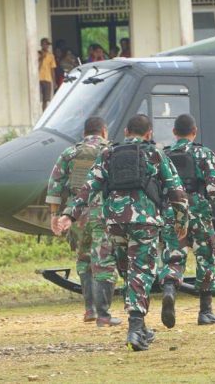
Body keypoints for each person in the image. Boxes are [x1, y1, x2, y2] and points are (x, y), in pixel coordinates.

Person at [57, 114, 189, 351]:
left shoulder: (108, 154)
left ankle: (142, 326)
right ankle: (136, 328)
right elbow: (175, 189)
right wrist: (181, 219)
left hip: (115, 223)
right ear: (149, 133)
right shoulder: (155, 154)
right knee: (141, 271)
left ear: (126, 131)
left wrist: (69, 215)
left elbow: (89, 187)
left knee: (128, 271)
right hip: (144, 221)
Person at [157, 114, 215, 329]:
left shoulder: (164, 155)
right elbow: (214, 185)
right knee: (206, 256)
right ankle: (205, 311)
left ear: (174, 132)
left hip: (172, 209)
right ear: (195, 131)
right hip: (198, 209)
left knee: (173, 254)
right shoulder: (203, 153)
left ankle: (170, 290)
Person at [45, 117, 121, 325]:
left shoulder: (70, 153)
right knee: (103, 262)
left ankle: (90, 310)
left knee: (84, 260)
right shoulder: (111, 151)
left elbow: (55, 185)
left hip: (76, 215)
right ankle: (104, 315)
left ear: (84, 133)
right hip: (103, 213)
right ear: (104, 131)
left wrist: (54, 216)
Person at [37, 37, 56, 110]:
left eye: (48, 45)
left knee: (46, 99)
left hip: (47, 79)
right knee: (39, 98)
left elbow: (52, 69)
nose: (47, 46)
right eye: (45, 44)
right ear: (41, 45)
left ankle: (43, 113)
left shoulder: (51, 56)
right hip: (39, 79)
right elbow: (36, 67)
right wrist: (41, 58)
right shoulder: (37, 54)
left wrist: (54, 81)